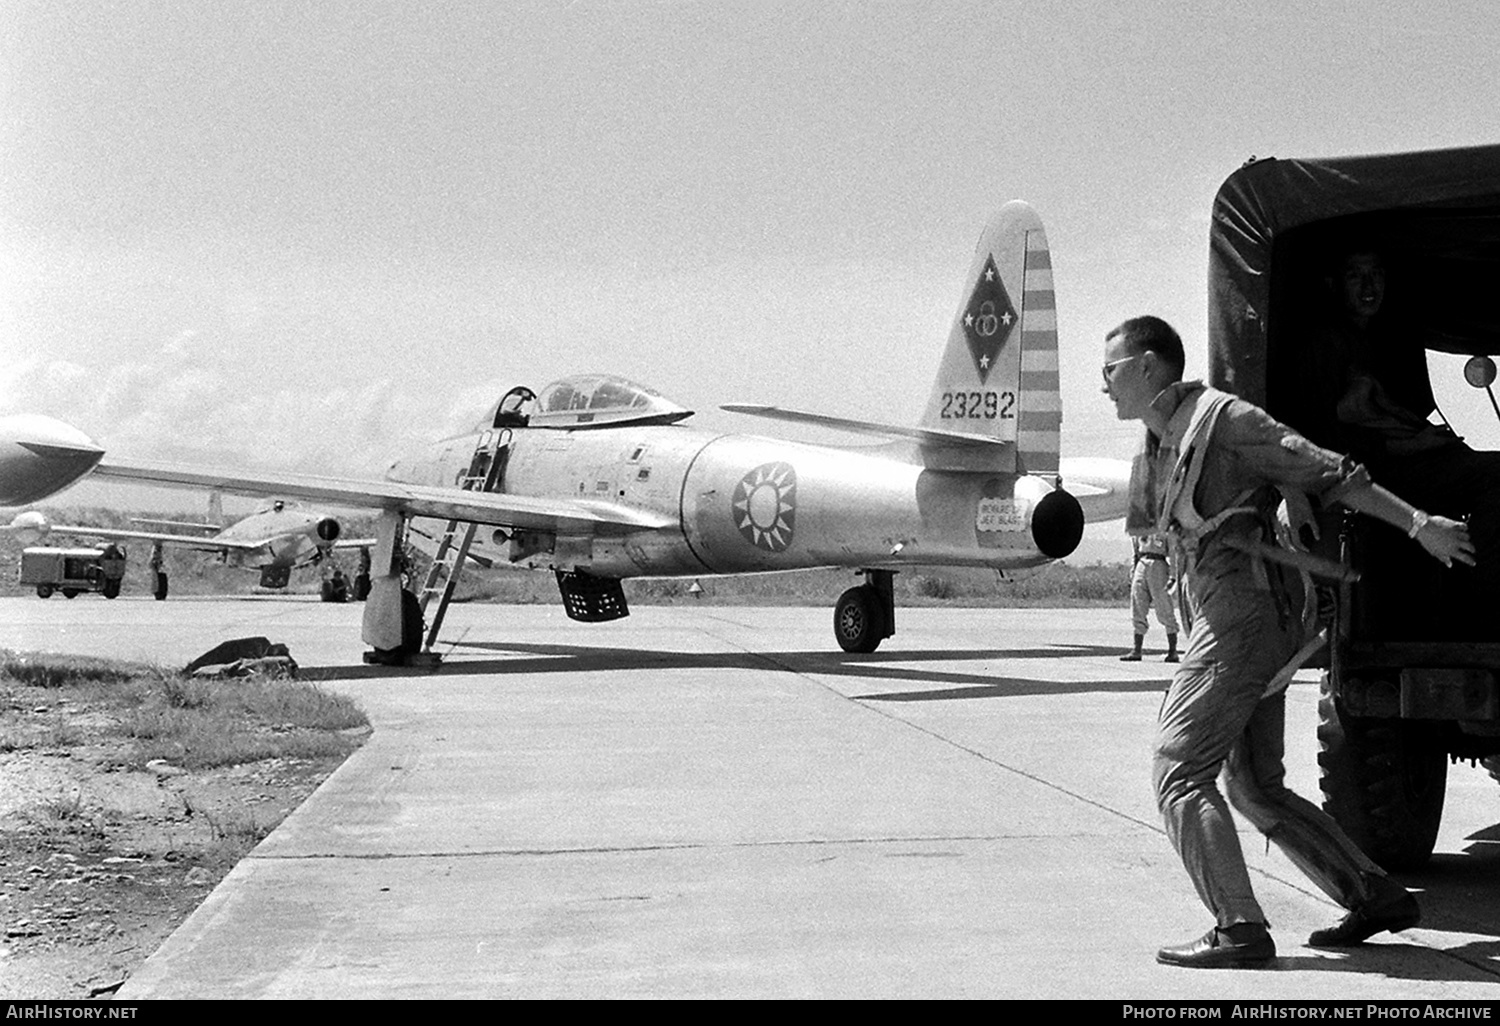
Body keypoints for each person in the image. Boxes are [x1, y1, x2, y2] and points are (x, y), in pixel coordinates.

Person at [1102, 314, 1474, 969]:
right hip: (1222, 617)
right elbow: (1164, 540)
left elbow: (1329, 471)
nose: (1103, 386)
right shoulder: (1156, 444)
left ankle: (1238, 929)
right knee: (1253, 786)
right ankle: (1374, 894)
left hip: (1242, 620)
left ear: (1149, 365)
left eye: (1111, 370)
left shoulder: (1225, 421)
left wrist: (1418, 525)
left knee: (1179, 769)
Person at [1305, 245, 1500, 624]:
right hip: (1367, 477)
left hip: (1394, 462)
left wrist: (1424, 439)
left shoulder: (1379, 340)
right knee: (1494, 473)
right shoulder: (1326, 345)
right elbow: (1329, 437)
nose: (1368, 286)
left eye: (1376, 274)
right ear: (1334, 284)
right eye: (1355, 275)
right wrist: (1410, 444)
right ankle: (1485, 609)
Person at [1121, 531, 1178, 662]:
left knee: (1164, 606)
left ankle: (1173, 651)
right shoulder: (1140, 526)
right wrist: (1133, 571)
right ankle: (1136, 650)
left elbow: (1174, 553)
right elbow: (1135, 550)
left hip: (1159, 563)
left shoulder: (1166, 527)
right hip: (1142, 562)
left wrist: (1173, 575)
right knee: (1137, 604)